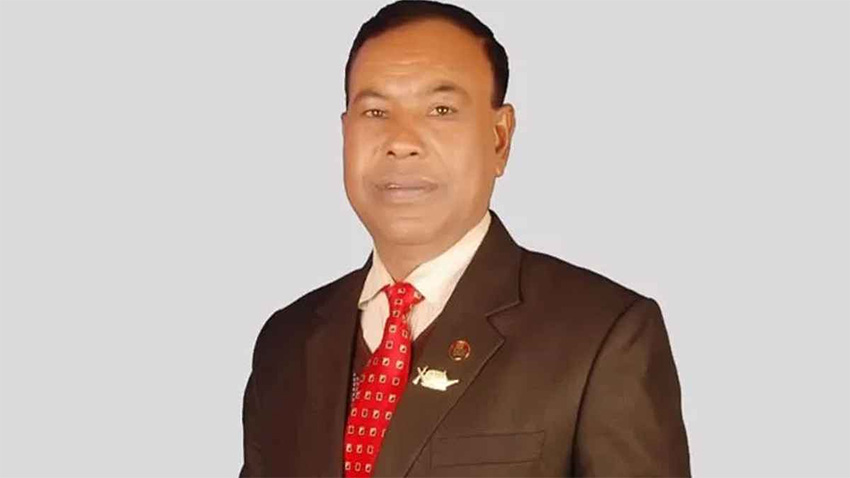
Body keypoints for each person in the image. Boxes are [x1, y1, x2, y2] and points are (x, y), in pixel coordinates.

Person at [239, 1, 690, 476]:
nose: (401, 141)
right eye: (375, 111)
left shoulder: (602, 336)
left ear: (499, 138)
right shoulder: (286, 342)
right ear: (345, 132)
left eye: (441, 110)